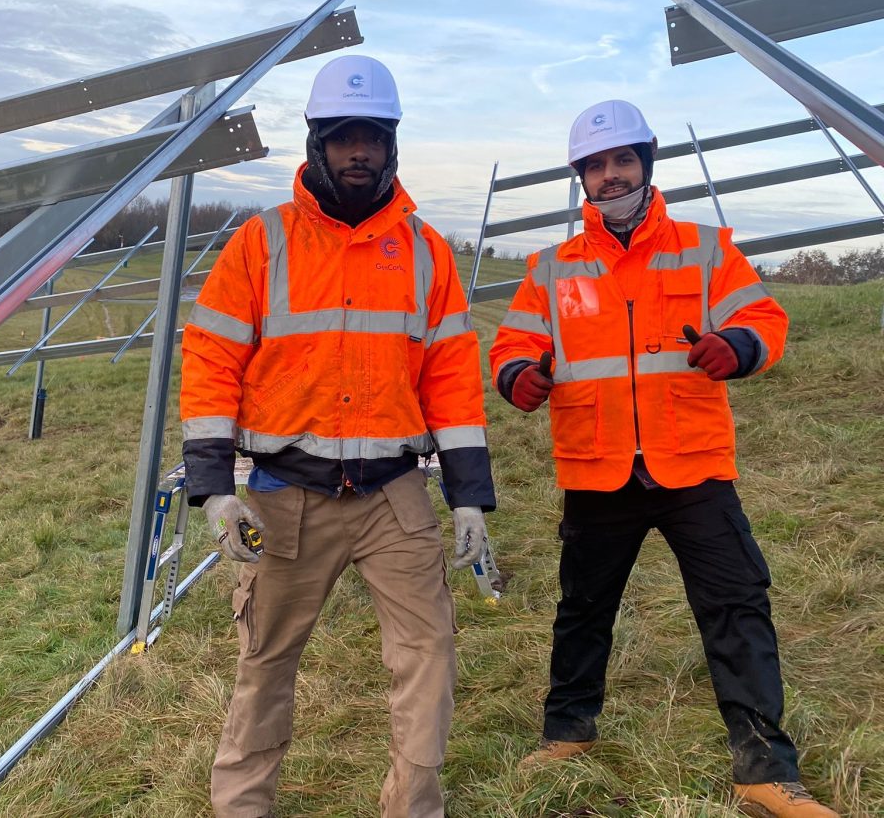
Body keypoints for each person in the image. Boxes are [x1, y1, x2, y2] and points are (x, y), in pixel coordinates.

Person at [489, 99, 837, 818]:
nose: (610, 176)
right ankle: (568, 731)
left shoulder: (705, 248)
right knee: (583, 609)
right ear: (580, 178)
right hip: (597, 465)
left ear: (646, 166)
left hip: (693, 466)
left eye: (622, 161)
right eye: (595, 166)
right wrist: (518, 375)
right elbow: (511, 345)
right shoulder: (551, 268)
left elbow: (763, 319)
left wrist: (736, 348)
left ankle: (765, 768)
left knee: (737, 607)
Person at [180, 54, 496, 818]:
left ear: (392, 145)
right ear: (317, 143)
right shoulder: (263, 243)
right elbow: (212, 359)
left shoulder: (426, 253)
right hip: (287, 496)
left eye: (373, 138)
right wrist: (217, 491)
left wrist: (469, 497)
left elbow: (451, 377)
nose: (360, 152)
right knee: (265, 663)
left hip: (395, 496)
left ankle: (414, 808)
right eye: (344, 137)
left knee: (429, 659)